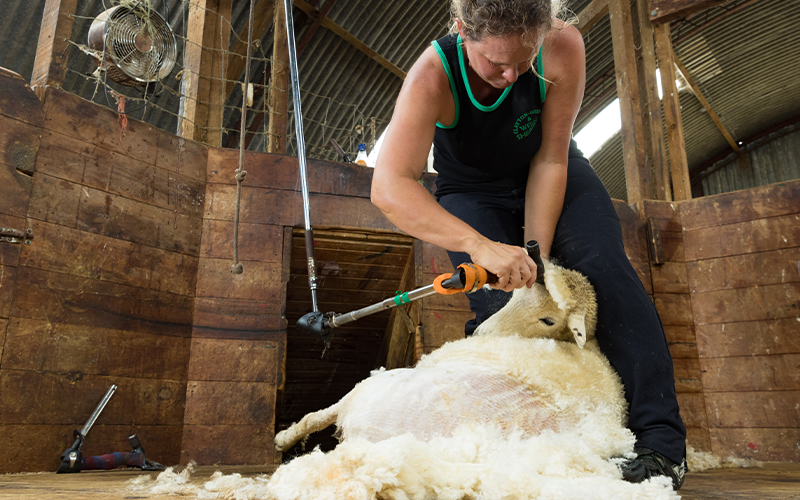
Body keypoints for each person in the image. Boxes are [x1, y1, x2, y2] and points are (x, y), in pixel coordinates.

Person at [370, 0, 688, 490]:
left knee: (604, 273)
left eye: (523, 61)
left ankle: (660, 443)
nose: (511, 75)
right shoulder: (432, 76)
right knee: (502, 306)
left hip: (553, 168)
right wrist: (479, 245)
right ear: (462, 31)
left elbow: (551, 158)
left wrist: (536, 256)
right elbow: (390, 187)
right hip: (471, 190)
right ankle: (539, 446)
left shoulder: (562, 44)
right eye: (496, 62)